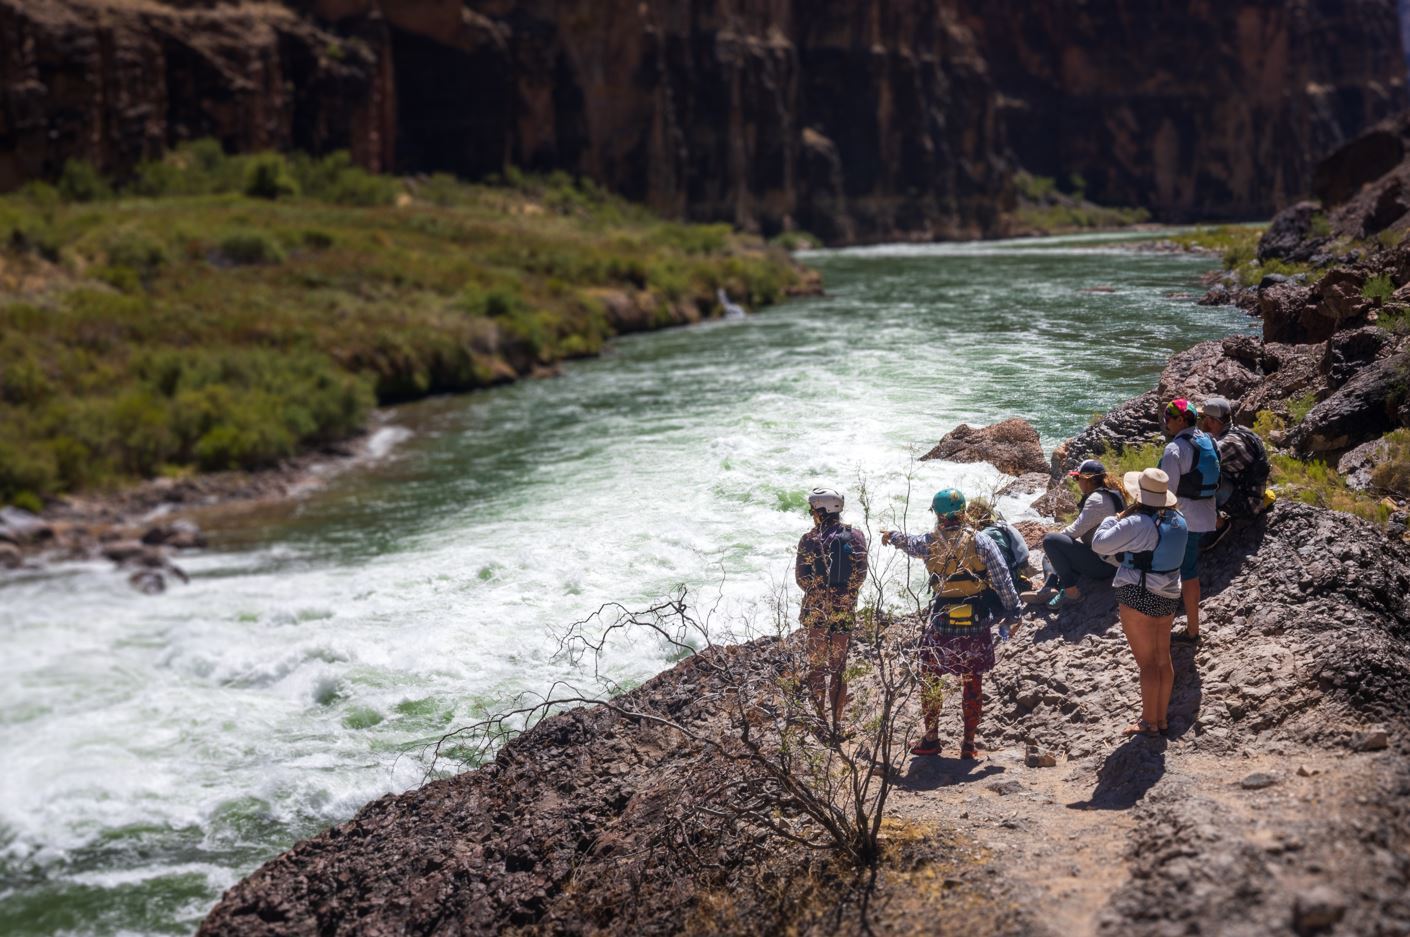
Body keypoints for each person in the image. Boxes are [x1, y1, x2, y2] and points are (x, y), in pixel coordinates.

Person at [881, 488, 1021, 759]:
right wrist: (1014, 612)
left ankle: (931, 739)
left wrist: (892, 536)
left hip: (942, 621)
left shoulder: (929, 542)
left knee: (930, 678)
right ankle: (968, 744)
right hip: (976, 620)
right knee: (971, 681)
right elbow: (1003, 579)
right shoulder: (982, 542)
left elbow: (908, 542)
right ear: (964, 512)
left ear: (937, 515)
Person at [1091, 468, 1188, 737]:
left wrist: (1114, 517)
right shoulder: (1179, 519)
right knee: (1162, 658)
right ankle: (1161, 719)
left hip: (1137, 594)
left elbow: (1100, 544)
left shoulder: (1137, 523)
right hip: (1168, 595)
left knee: (1146, 663)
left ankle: (1148, 722)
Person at [795, 487, 869, 737]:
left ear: (820, 510)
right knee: (839, 667)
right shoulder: (856, 536)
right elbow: (860, 575)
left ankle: (820, 723)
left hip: (816, 611)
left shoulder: (808, 539)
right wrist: (843, 596)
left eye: (812, 509)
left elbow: (801, 579)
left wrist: (820, 594)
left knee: (817, 667)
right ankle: (838, 725)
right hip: (843, 610)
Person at [1021, 458, 1126, 609]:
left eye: (1077, 478)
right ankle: (1050, 588)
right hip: (1113, 559)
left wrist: (1057, 542)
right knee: (1050, 555)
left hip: (1105, 565)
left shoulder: (1097, 500)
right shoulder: (1113, 493)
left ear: (1087, 480)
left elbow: (1073, 532)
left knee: (1050, 541)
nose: (1077, 482)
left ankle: (1071, 592)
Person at [1159, 398, 1219, 646]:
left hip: (1184, 519)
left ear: (1181, 420)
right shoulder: (1209, 440)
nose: (1165, 423)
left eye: (1169, 418)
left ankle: (1184, 629)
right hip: (1206, 516)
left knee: (1173, 571)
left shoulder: (1175, 449)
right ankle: (1191, 626)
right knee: (1188, 570)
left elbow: (1167, 493)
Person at [1198, 396, 1271, 550]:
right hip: (1248, 493)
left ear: (1212, 421)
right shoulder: (1238, 432)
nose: (1201, 422)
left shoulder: (1228, 444)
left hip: (1247, 504)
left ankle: (1219, 524)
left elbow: (1197, 465)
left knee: (1196, 481)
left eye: (1203, 417)